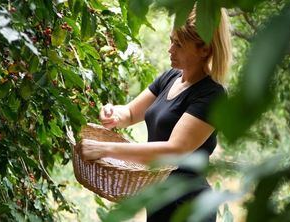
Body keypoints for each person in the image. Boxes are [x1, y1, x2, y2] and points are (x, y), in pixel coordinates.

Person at [80, 8, 231, 222]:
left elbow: (174, 150)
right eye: (171, 41)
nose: (170, 49)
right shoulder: (170, 78)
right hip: (159, 199)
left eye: (178, 44)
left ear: (204, 50)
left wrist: (105, 149)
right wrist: (112, 112)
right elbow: (131, 113)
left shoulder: (211, 95)